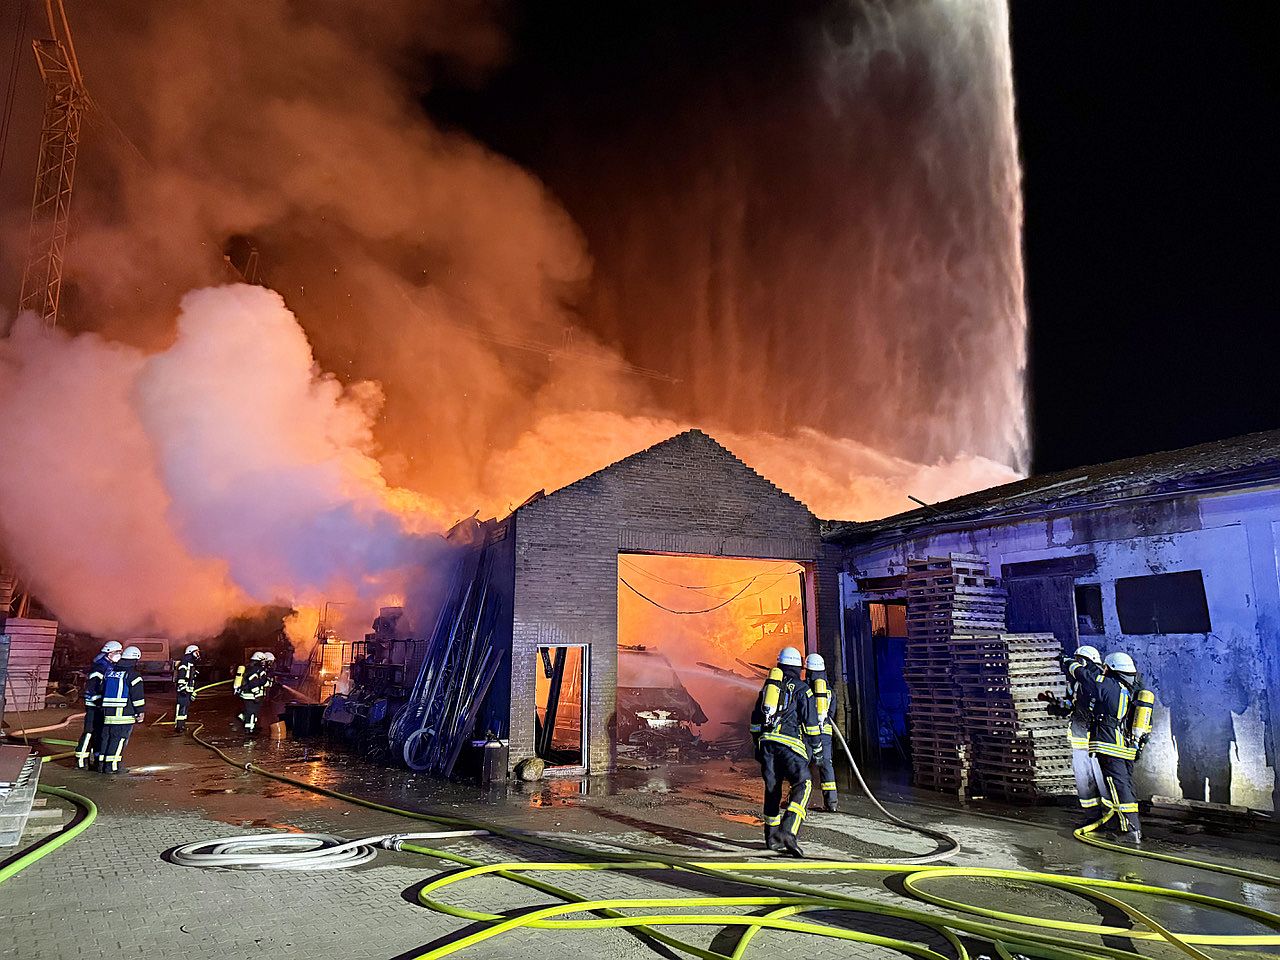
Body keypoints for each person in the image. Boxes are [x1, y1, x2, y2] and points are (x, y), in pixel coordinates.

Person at [1065, 650, 1155, 843]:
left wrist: (1069, 662)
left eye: (1106, 668)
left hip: (1111, 745)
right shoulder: (1133, 689)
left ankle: (1129, 831)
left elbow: (1087, 678)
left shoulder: (1111, 685)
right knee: (1124, 787)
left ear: (1113, 669)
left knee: (1117, 787)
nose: (1103, 670)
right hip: (1126, 747)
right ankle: (1131, 827)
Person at [749, 646, 824, 857]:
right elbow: (811, 725)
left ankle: (771, 837)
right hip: (790, 746)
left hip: (767, 746)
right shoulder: (803, 689)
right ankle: (788, 831)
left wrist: (758, 746)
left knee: (772, 790)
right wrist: (818, 750)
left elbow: (755, 720)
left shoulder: (768, 689)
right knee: (803, 784)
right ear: (799, 668)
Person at [1040, 645, 1107, 822]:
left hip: (1098, 741)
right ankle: (1092, 816)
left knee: (1103, 781)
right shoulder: (1076, 684)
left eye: (1079, 661)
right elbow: (1072, 704)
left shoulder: (1101, 681)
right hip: (1079, 740)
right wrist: (1058, 706)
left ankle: (1112, 817)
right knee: (1084, 782)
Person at [98, 645, 145, 774]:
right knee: (119, 740)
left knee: (106, 739)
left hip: (108, 714)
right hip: (124, 714)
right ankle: (112, 767)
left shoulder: (110, 672)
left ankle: (101, 764)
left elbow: (102, 689)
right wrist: (140, 711)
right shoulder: (133, 675)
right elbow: (137, 696)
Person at [76, 641, 122, 769]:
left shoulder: (110, 666)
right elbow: (93, 688)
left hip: (102, 706)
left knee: (100, 733)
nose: (119, 654)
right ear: (109, 653)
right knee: (89, 732)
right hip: (93, 706)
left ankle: (97, 759)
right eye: (117, 652)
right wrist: (98, 701)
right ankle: (81, 761)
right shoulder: (99, 667)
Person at [804, 653, 839, 812]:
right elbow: (831, 714)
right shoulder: (830, 692)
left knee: (802, 766)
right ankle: (831, 803)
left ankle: (798, 801)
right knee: (826, 766)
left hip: (808, 734)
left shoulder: (804, 689)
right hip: (825, 734)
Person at [237, 652, 271, 734]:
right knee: (252, 712)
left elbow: (261, 681)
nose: (264, 663)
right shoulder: (256, 670)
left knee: (251, 711)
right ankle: (250, 730)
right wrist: (257, 694)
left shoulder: (251, 669)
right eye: (263, 661)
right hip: (251, 695)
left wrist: (270, 683)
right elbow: (254, 682)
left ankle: (243, 718)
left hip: (247, 695)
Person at [174, 644, 200, 733]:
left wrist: (193, 692)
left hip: (188, 690)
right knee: (181, 707)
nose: (198, 655)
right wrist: (182, 688)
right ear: (190, 653)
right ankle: (179, 726)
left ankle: (182, 725)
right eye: (196, 652)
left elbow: (192, 680)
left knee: (185, 707)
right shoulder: (184, 664)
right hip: (183, 690)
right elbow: (181, 676)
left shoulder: (191, 664)